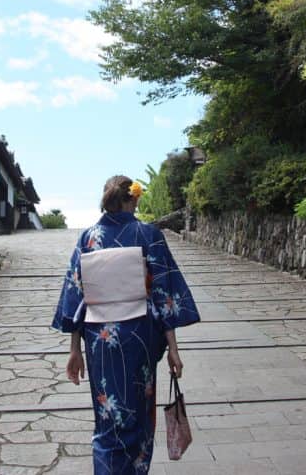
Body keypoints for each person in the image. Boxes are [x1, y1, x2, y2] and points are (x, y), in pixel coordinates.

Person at [52, 175, 200, 473]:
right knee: (137, 411)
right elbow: (163, 293)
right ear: (133, 199)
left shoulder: (88, 238)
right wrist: (173, 349)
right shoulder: (148, 235)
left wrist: (74, 350)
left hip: (99, 338)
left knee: (108, 414)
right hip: (138, 335)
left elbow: (76, 297)